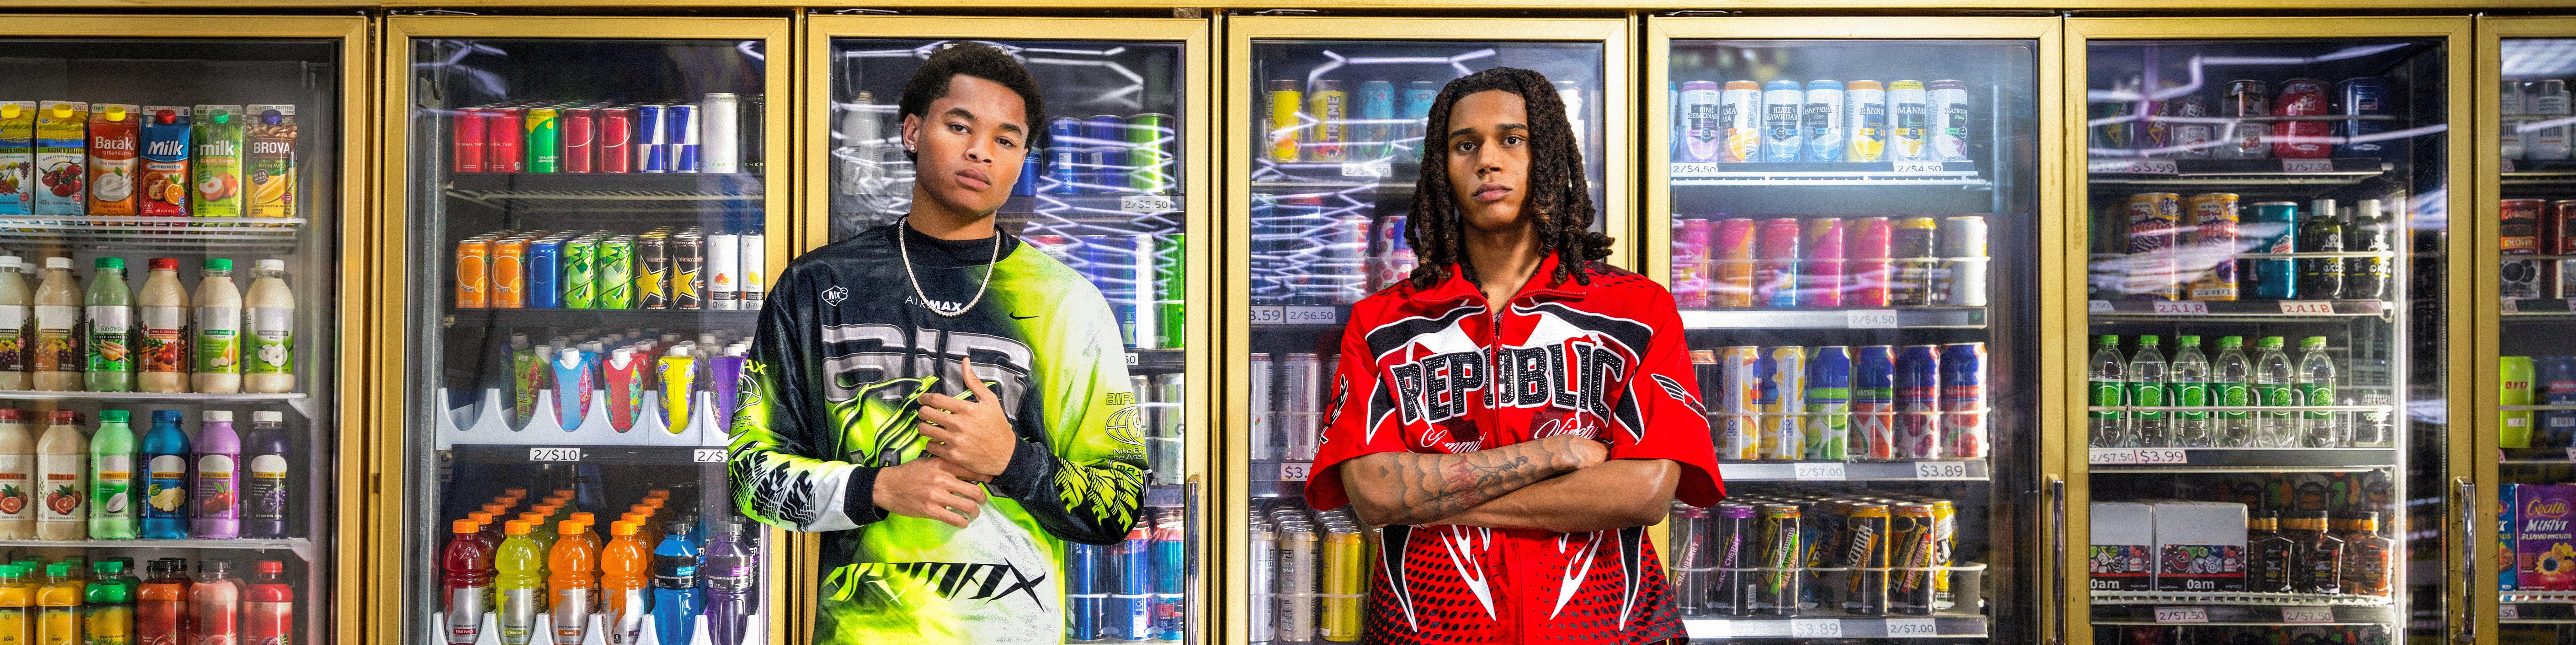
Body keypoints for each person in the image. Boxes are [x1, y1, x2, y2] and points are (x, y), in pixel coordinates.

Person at [727, 42, 1146, 644]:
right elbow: (748, 477)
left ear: (1022, 158)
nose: (981, 150)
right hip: (860, 633)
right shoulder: (818, 285)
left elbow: (1121, 502)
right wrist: (876, 488)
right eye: (959, 126)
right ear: (913, 130)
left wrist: (1012, 461)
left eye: (1006, 140)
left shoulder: (1067, 304)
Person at [1304, 67, 1725, 644]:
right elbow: (1373, 493)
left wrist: (1425, 498)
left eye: (1512, 139)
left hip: (1612, 630)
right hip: (1427, 631)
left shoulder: (1637, 310)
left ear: (1547, 154)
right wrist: (1556, 453)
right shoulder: (1383, 323)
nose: (1488, 160)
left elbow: (1645, 490)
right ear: (1441, 168)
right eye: (1465, 144)